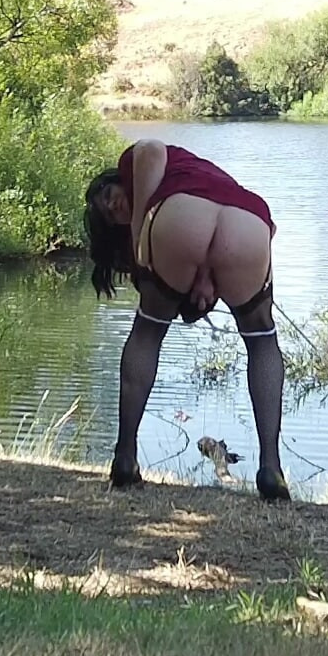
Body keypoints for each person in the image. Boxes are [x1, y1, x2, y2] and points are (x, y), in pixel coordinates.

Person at [84, 138, 290, 502]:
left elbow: (149, 147)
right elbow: (227, 224)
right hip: (251, 221)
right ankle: (271, 468)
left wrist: (138, 240)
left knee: (147, 333)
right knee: (261, 339)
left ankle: (126, 457)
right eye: (110, 216)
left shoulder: (137, 165)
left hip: (184, 214)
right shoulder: (198, 168)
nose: (114, 206)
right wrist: (209, 275)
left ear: (115, 178)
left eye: (108, 195)